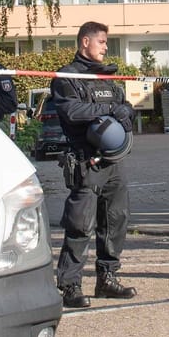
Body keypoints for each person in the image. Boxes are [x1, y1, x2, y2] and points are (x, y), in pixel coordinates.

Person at [52, 21, 140, 307]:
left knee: (116, 220)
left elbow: (122, 104)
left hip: (113, 161)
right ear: (85, 42)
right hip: (85, 160)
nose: (105, 46)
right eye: (101, 41)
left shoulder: (106, 77)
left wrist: (126, 111)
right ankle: (70, 286)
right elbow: (72, 111)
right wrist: (109, 109)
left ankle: (107, 278)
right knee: (80, 225)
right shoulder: (67, 77)